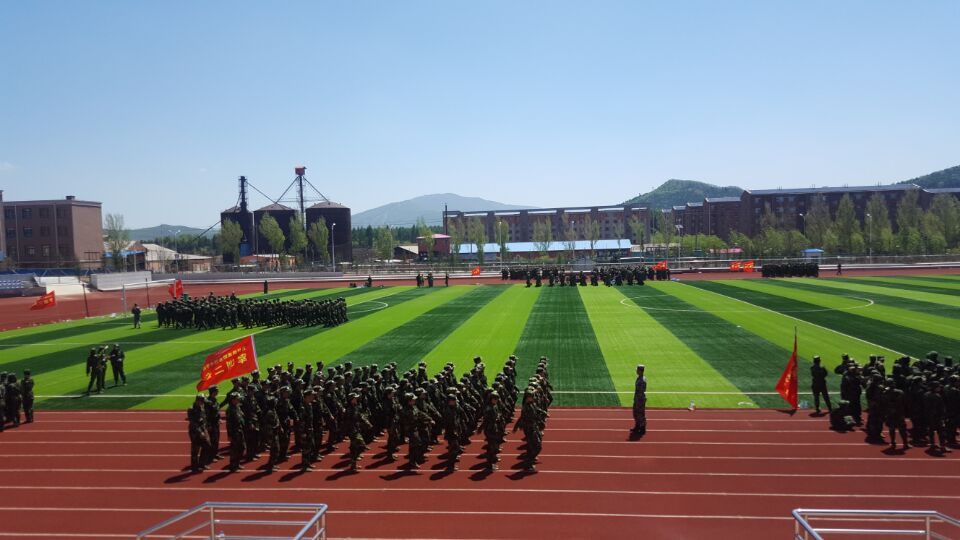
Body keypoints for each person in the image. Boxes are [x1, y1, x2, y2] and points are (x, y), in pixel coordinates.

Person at [187, 394, 211, 473]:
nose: (203, 403)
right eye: (202, 401)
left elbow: (203, 418)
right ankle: (194, 467)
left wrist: (206, 427)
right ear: (198, 400)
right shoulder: (191, 409)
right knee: (195, 450)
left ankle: (202, 463)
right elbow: (193, 423)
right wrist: (200, 432)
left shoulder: (202, 406)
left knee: (207, 446)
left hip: (203, 430)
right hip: (195, 432)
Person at [226, 392, 246, 472]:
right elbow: (229, 424)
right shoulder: (230, 410)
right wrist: (229, 435)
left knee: (242, 447)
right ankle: (233, 466)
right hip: (234, 432)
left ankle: (237, 463)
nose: (239, 400)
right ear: (233, 400)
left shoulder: (237, 407)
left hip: (240, 430)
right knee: (235, 449)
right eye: (237, 399)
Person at [632, 365, 647, 437]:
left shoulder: (642, 380)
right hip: (637, 398)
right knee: (635, 413)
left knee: (640, 414)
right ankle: (637, 426)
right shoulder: (639, 378)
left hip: (640, 399)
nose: (636, 371)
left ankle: (642, 428)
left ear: (640, 371)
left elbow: (641, 391)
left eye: (637, 370)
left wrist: (639, 400)